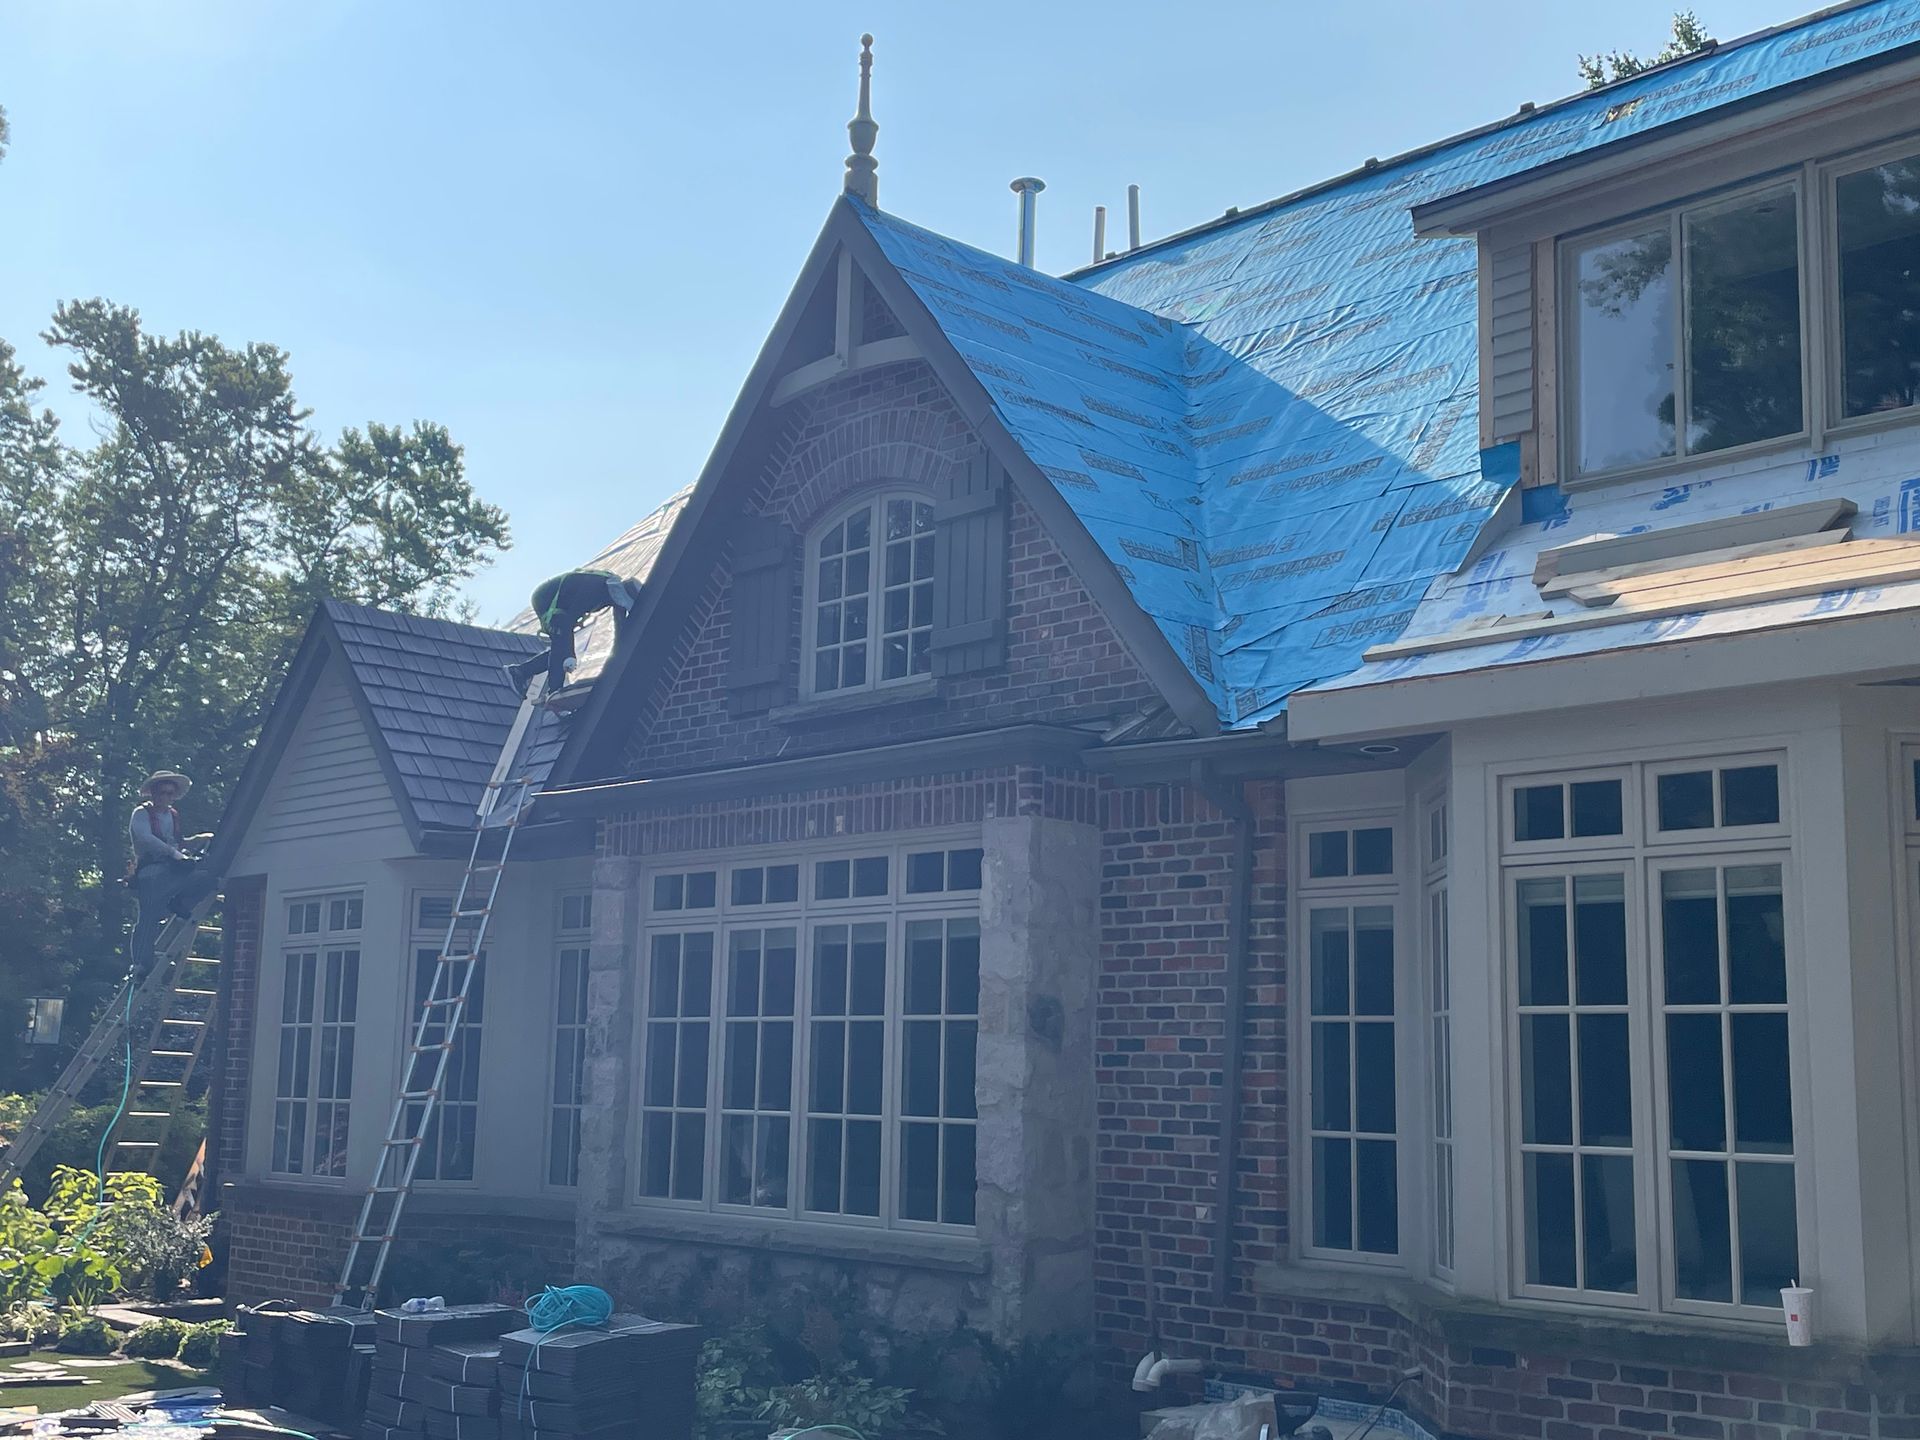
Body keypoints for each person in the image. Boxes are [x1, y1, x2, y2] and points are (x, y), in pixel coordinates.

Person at [128, 770, 218, 976]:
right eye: (162, 793)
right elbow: (146, 839)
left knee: (206, 879)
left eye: (170, 793)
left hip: (174, 870)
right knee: (148, 918)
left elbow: (176, 841)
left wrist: (198, 838)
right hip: (152, 872)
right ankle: (141, 965)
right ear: (153, 793)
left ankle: (180, 903)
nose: (166, 797)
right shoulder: (141, 814)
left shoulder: (172, 815)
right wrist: (174, 854)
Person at [504, 569, 638, 696]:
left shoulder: (612, 589)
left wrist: (620, 650)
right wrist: (570, 655)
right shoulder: (596, 588)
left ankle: (521, 672)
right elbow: (565, 623)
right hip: (546, 599)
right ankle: (554, 689)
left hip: (560, 600)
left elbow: (620, 626)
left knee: (561, 644)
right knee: (562, 638)